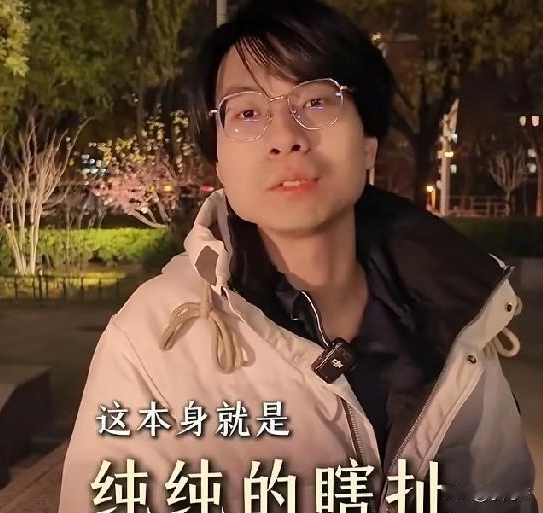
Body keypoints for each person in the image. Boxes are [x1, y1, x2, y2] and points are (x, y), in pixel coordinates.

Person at [59, 1, 538, 512]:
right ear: (220, 161)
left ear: (368, 143)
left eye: (315, 102)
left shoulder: (457, 312)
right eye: (247, 112)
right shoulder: (149, 342)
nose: (286, 138)